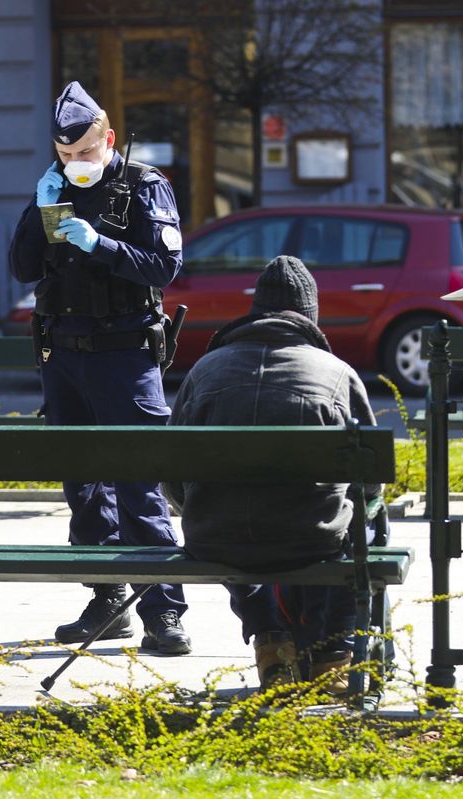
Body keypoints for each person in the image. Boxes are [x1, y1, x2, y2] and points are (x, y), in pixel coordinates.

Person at [8, 81, 190, 654]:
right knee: (84, 485)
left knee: (138, 479)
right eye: (65, 155)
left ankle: (163, 610)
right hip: (62, 355)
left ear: (107, 139)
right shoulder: (54, 188)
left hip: (124, 353)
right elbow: (21, 269)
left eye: (85, 152)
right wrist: (38, 212)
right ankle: (108, 598)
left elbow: (164, 266)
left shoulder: (143, 187)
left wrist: (99, 245)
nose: (75, 163)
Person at [162, 256, 383, 692]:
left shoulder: (206, 371)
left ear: (255, 311)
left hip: (216, 535)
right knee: (362, 522)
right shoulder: (337, 374)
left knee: (231, 527)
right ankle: (334, 652)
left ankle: (271, 639)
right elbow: (370, 480)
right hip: (310, 536)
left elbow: (171, 472)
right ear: (310, 317)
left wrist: (200, 507)